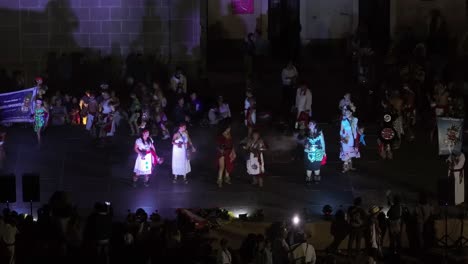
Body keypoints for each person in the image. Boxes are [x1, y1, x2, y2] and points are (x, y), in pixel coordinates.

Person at [340, 106, 360, 173]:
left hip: (353, 139)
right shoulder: (343, 121)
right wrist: (343, 138)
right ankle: (345, 167)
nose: (346, 113)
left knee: (351, 152)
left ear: (351, 113)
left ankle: (350, 166)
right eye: (345, 112)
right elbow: (341, 130)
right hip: (346, 139)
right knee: (346, 153)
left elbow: (356, 128)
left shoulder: (355, 119)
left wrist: (359, 132)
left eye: (348, 112)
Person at [217, 124, 236, 188]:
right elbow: (217, 145)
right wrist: (220, 150)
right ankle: (219, 181)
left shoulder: (230, 135)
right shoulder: (221, 135)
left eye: (229, 128)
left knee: (228, 165)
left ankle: (227, 178)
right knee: (222, 167)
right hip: (222, 153)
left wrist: (233, 152)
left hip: (229, 152)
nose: (229, 129)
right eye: (228, 128)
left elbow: (232, 144)